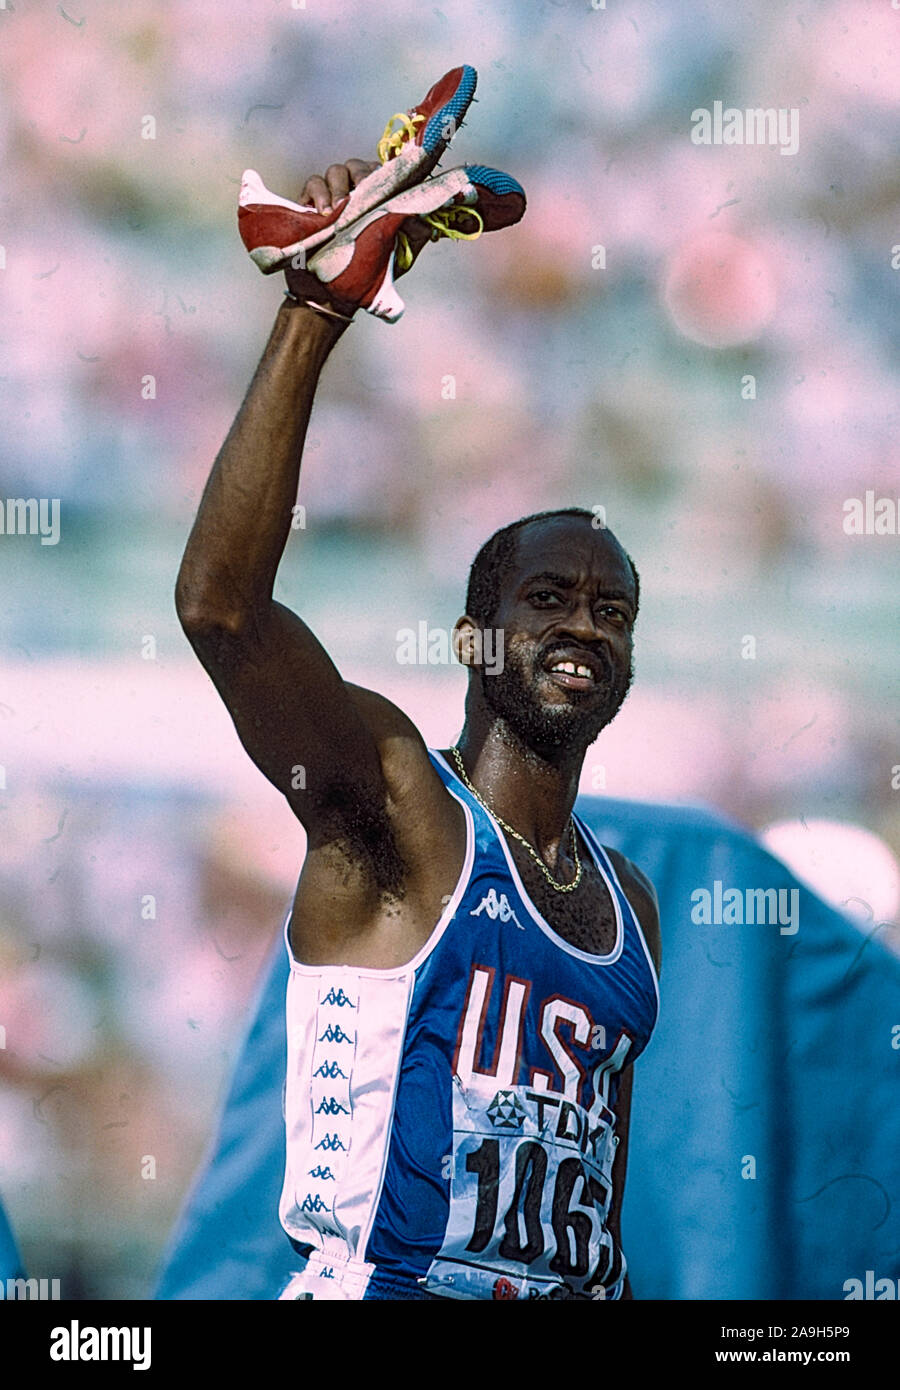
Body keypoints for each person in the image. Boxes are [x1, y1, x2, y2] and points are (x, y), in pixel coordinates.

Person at [175, 135, 660, 1301]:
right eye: (547, 600)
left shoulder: (628, 903)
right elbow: (221, 610)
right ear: (472, 639)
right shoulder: (396, 804)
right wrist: (315, 311)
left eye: (613, 610)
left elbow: (594, 1225)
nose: (584, 627)